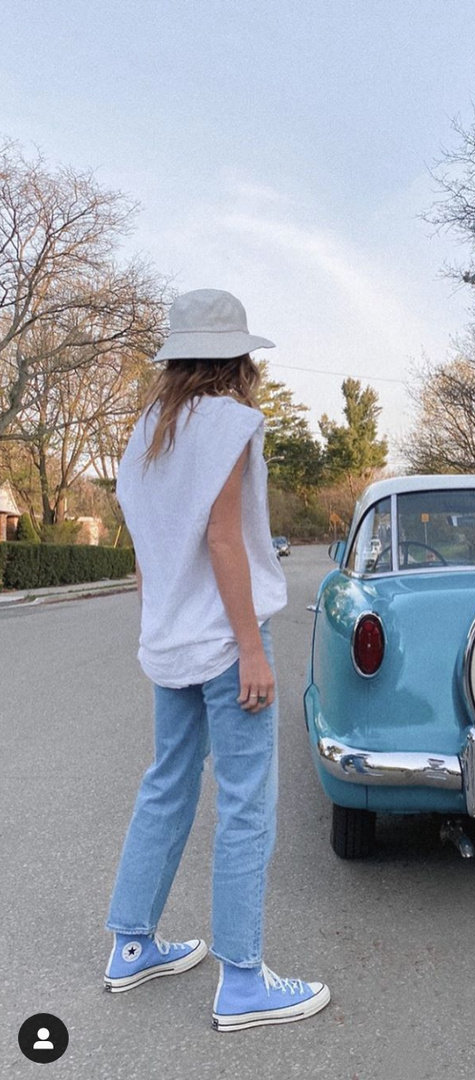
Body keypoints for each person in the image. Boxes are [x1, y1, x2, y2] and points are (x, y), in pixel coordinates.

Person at [103, 288, 330, 1033]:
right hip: (224, 644)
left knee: (166, 784)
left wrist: (159, 622)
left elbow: (149, 548)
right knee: (245, 805)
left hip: (169, 639)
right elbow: (222, 537)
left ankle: (132, 944)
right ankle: (242, 980)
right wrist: (252, 647)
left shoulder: (145, 433)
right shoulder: (231, 421)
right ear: (235, 357)